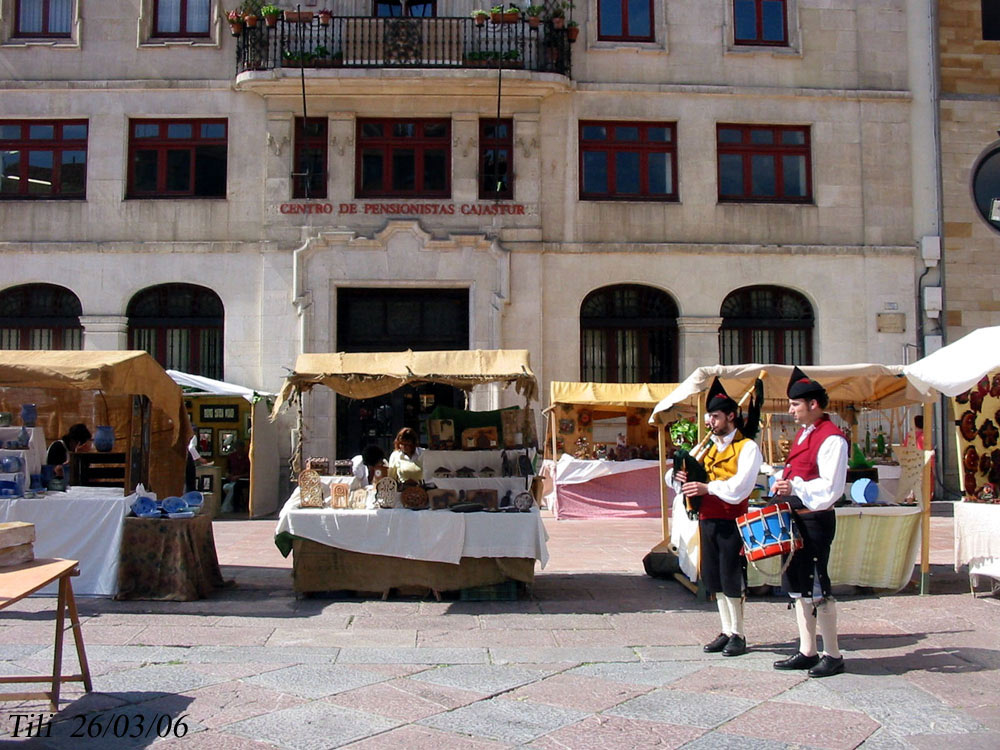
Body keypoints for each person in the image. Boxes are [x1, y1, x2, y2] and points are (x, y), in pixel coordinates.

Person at [667, 377, 762, 657]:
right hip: (707, 519)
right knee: (714, 577)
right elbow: (671, 479)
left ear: (731, 416)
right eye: (709, 417)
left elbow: (740, 487)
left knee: (732, 577)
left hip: (732, 521)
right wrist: (679, 476)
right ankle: (726, 629)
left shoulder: (747, 448)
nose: (710, 422)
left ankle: (739, 634)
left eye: (716, 417)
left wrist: (708, 487)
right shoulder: (706, 448)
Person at [771, 367, 848, 678]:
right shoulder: (806, 434)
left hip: (815, 521)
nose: (790, 410)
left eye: (795, 405)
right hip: (795, 520)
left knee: (818, 585)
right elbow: (798, 471)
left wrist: (796, 487)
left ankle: (833, 654)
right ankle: (807, 650)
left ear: (814, 404)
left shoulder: (832, 439)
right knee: (798, 586)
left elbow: (832, 488)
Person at [220, 440, 251, 513]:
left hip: (243, 479)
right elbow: (227, 468)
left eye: (240, 447)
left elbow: (249, 472)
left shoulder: (247, 458)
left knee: (236, 487)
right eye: (237, 448)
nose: (238, 449)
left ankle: (235, 508)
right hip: (232, 477)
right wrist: (227, 474)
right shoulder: (231, 457)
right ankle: (222, 504)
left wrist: (239, 476)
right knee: (220, 484)